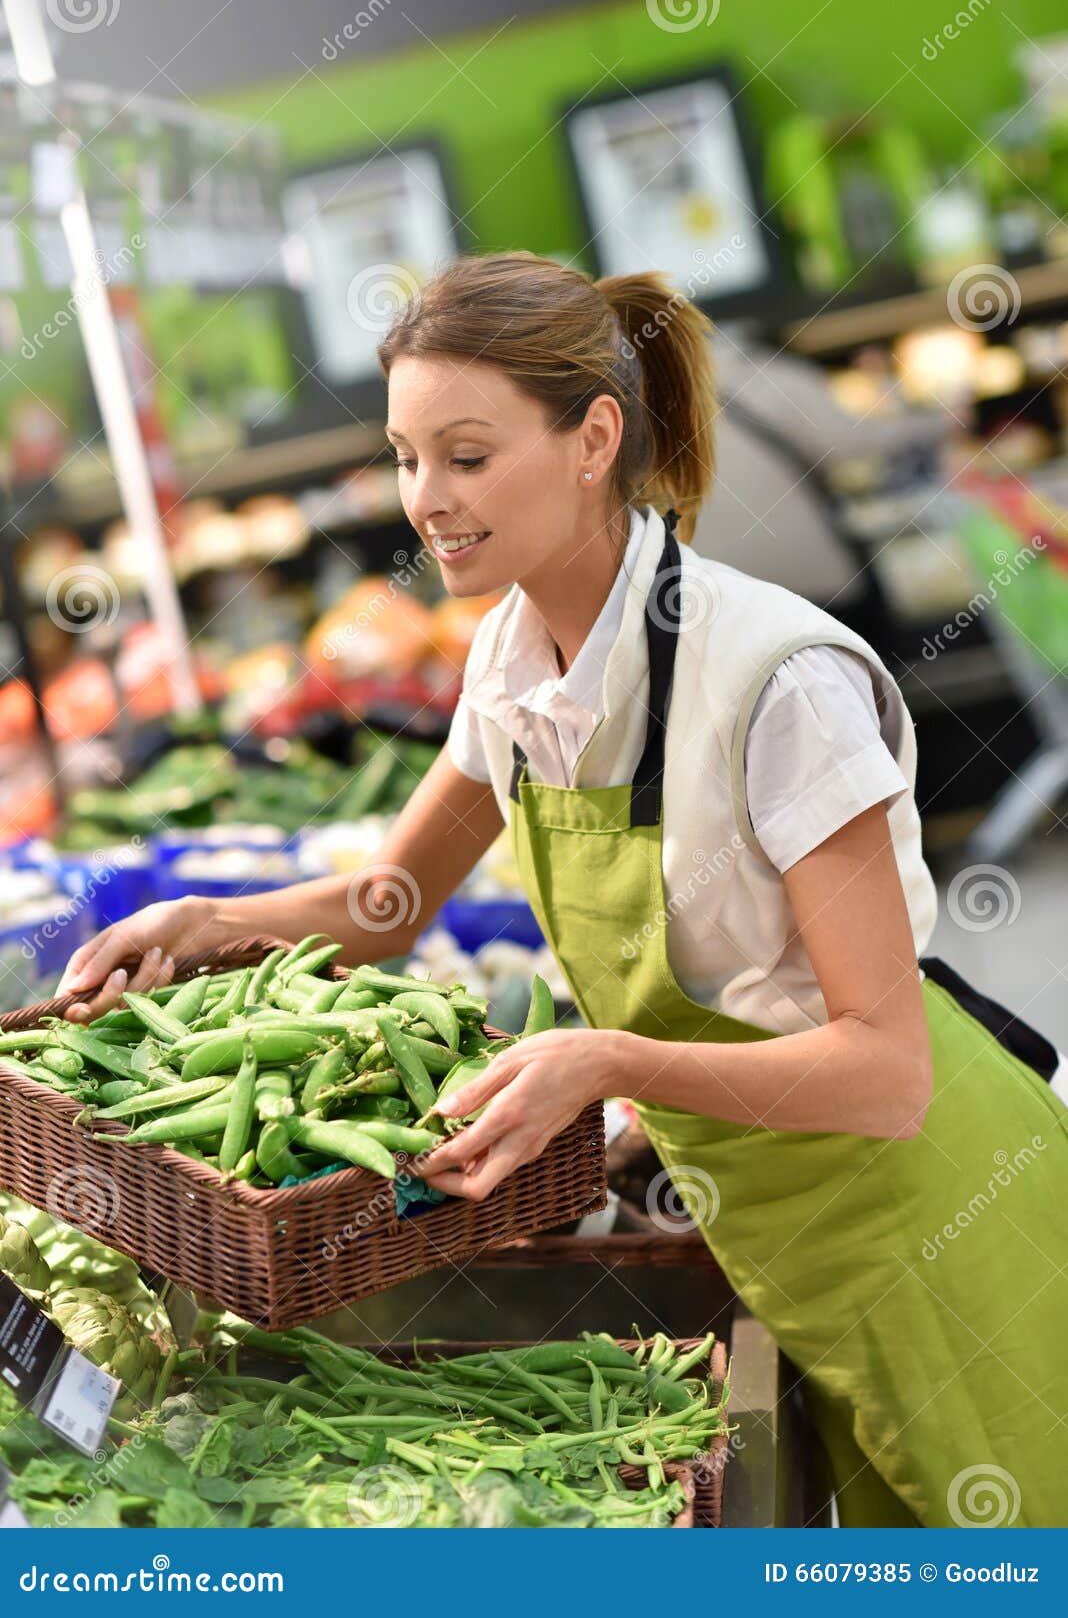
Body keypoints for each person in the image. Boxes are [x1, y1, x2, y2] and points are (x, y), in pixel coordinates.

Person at [60, 252, 1068, 1528]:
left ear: (595, 437)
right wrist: (210, 922)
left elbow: (888, 1069)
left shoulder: (774, 682)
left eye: (467, 457)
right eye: (405, 456)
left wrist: (606, 1061)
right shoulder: (511, 652)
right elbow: (389, 903)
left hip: (933, 1229)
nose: (426, 499)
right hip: (775, 1232)